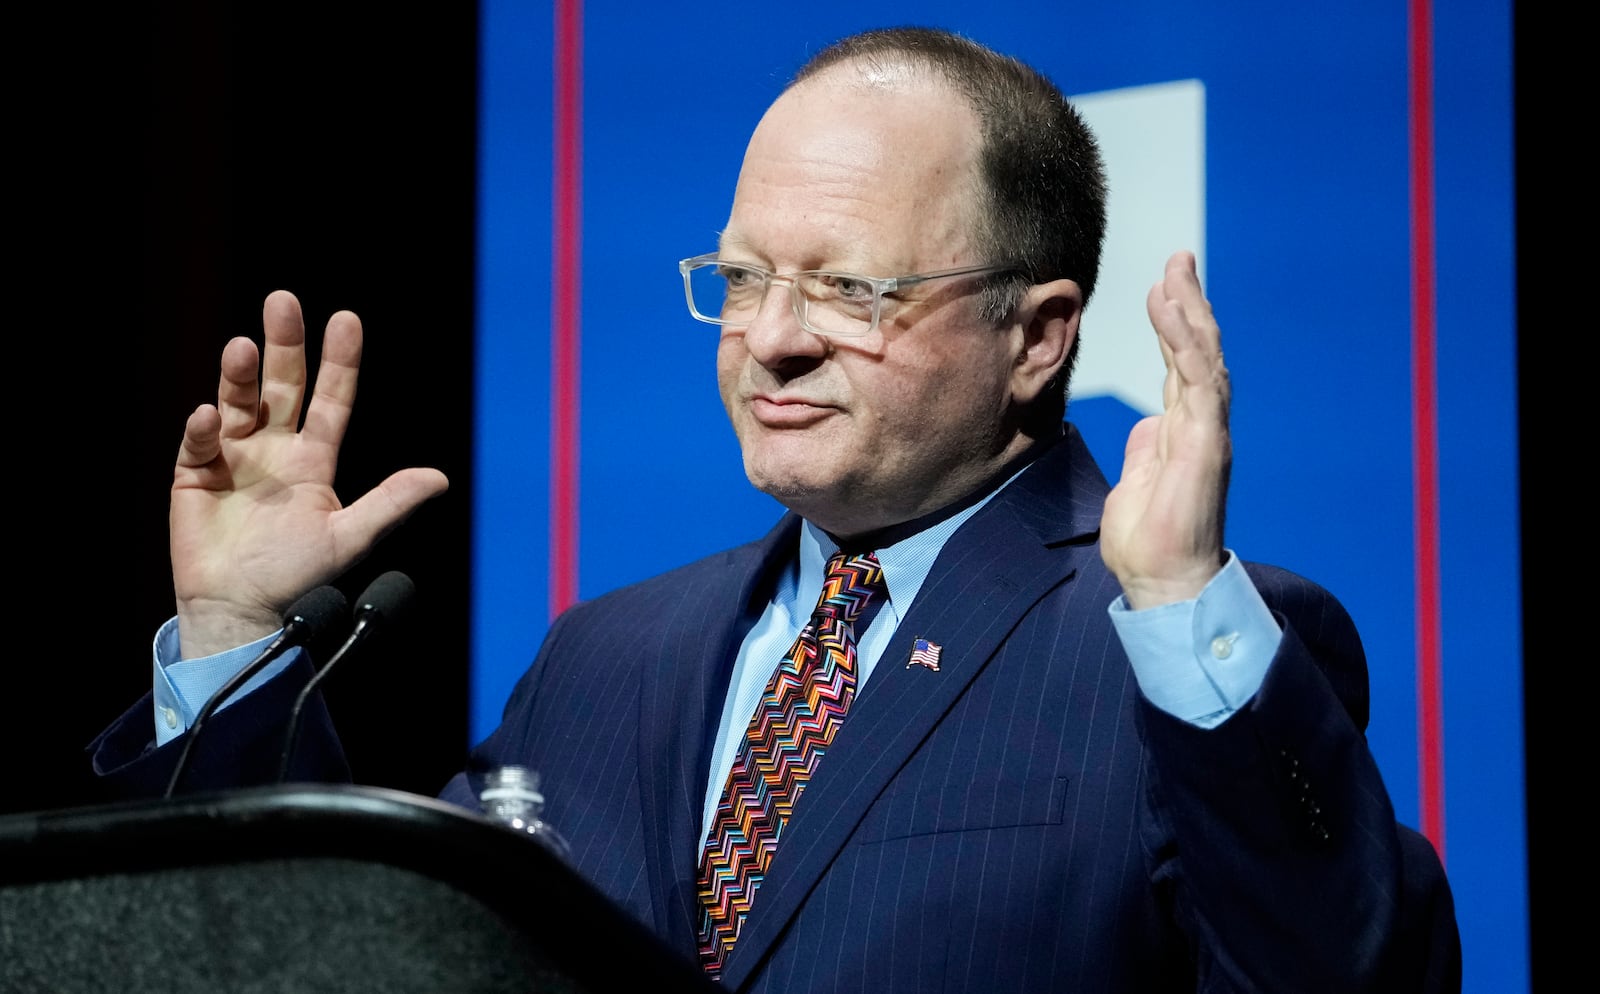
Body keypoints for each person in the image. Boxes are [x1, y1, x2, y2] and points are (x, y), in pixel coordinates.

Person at [89, 26, 1459, 994]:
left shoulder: (1191, 645)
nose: (774, 340)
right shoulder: (603, 656)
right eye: (744, 279)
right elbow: (346, 960)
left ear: (1037, 338)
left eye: (851, 291)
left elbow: (1337, 972)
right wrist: (232, 641)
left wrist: (1178, 608)